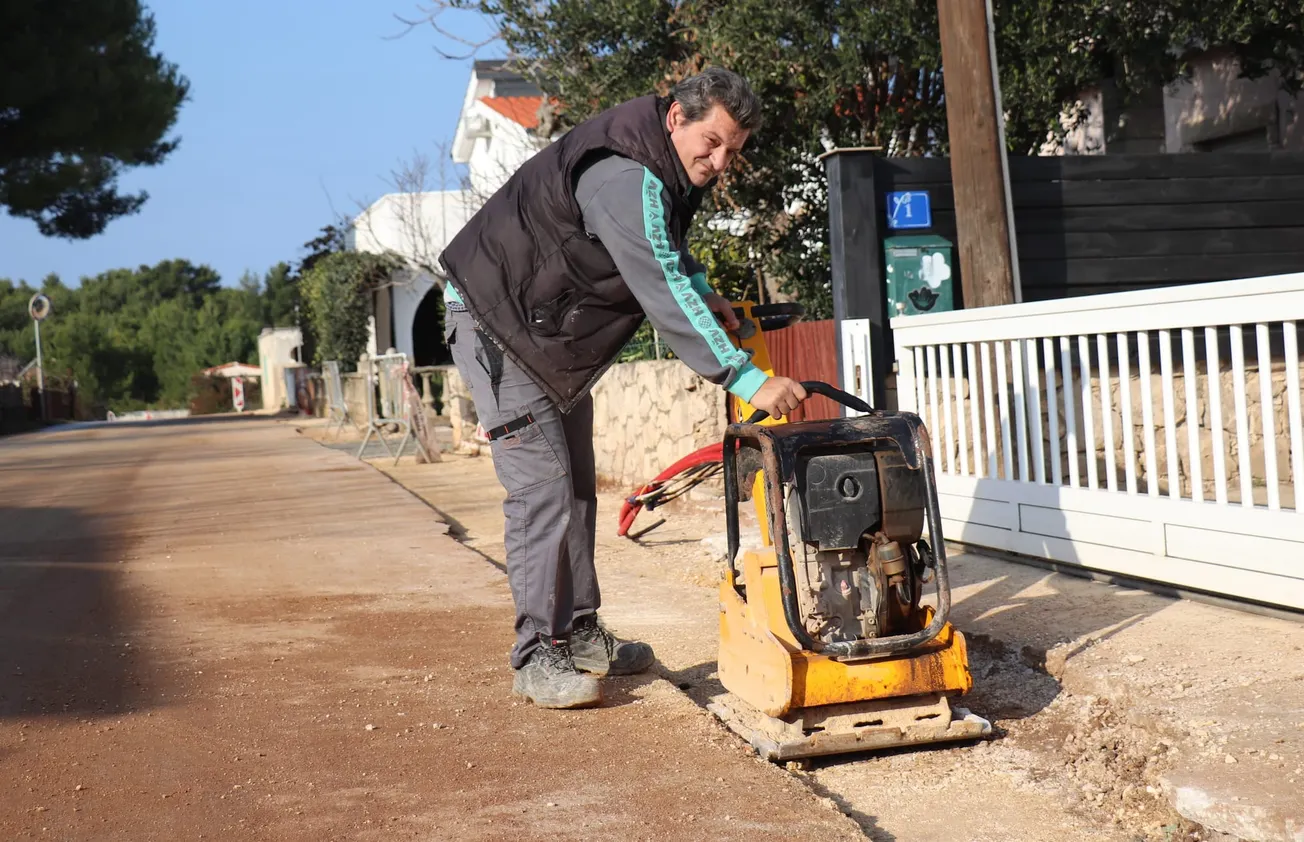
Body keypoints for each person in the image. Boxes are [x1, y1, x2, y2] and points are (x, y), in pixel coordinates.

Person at [438, 67, 808, 709]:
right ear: (677, 118)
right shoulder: (624, 174)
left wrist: (704, 289)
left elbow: (666, 247)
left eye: (733, 151)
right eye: (713, 143)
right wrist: (746, 377)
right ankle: (537, 654)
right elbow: (658, 282)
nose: (721, 163)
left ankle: (580, 632)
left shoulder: (660, 165)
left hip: (542, 332)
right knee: (541, 490)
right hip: (496, 323)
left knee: (576, 486)